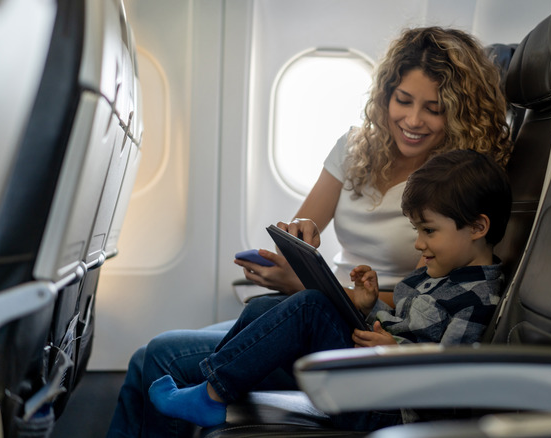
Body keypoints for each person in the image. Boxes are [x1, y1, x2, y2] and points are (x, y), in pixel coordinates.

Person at [107, 26, 511, 438]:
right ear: (386, 94)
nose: (412, 119)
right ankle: (221, 382)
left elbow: (439, 325)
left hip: (357, 327)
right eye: (402, 100)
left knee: (159, 356)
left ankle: (213, 392)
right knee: (153, 354)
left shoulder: (455, 188)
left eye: (433, 109)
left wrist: (323, 293)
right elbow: (307, 229)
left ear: (458, 112)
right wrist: (300, 245)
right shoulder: (357, 148)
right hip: (353, 308)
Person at [147, 149, 512, 431]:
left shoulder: (477, 297)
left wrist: (397, 353)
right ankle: (217, 389)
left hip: (392, 409)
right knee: (266, 308)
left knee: (309, 307)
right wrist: (370, 308)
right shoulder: (439, 272)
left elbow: (455, 379)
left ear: (478, 227)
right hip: (373, 381)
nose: (418, 244)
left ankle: (211, 396)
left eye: (428, 231)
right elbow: (402, 327)